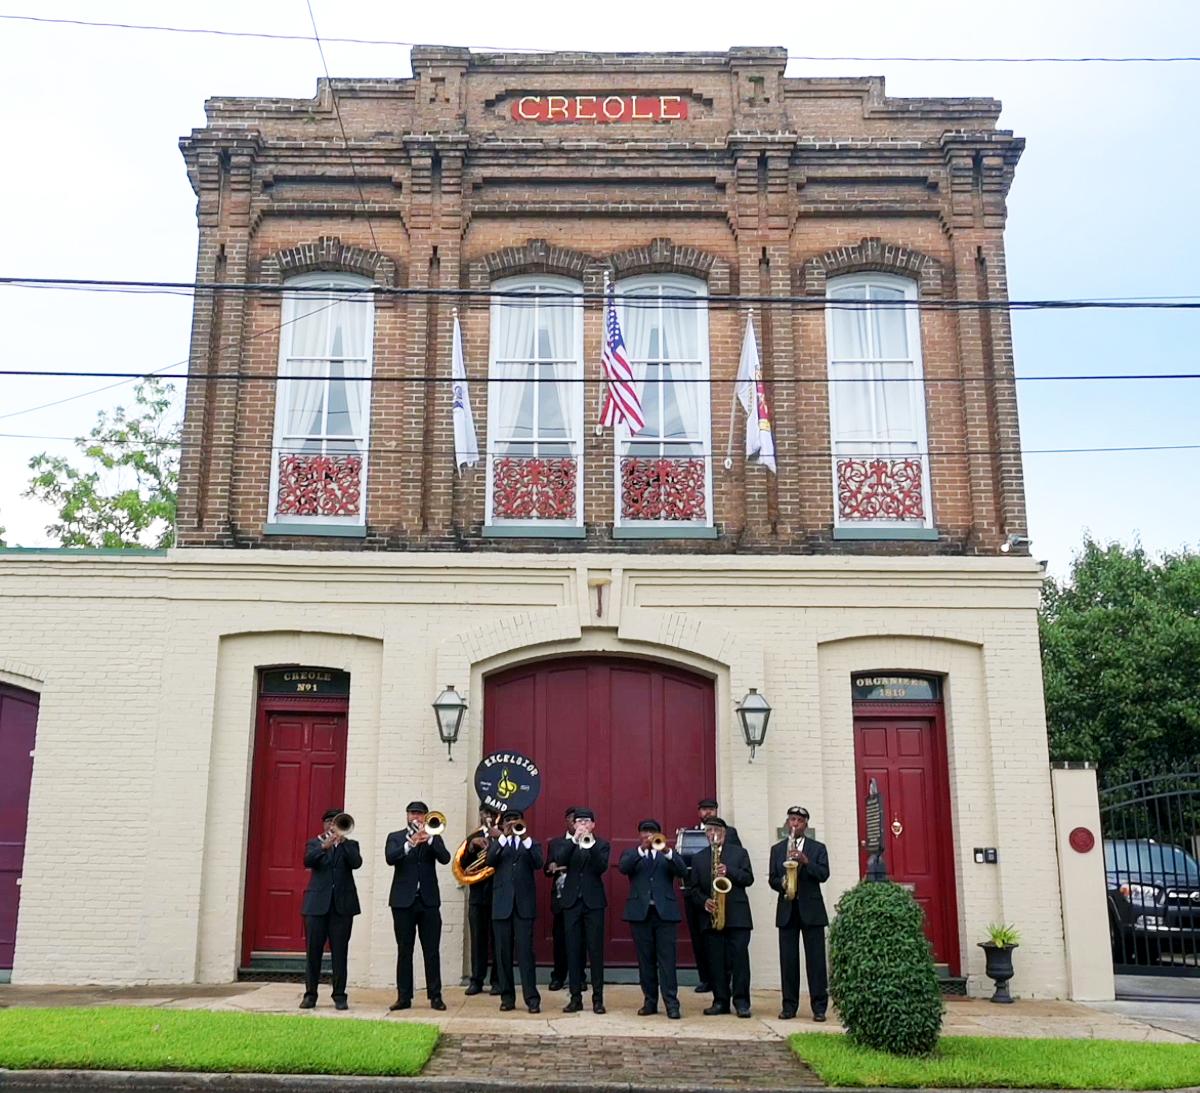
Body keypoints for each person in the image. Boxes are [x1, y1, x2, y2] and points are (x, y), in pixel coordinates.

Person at [385, 801, 450, 1012]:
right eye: (413, 813)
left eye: (420, 814)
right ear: (406, 815)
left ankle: (435, 996)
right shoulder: (395, 837)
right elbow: (390, 858)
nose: (417, 817)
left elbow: (445, 858)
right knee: (404, 950)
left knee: (431, 950)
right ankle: (404, 997)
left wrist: (430, 839)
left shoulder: (434, 837)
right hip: (403, 902)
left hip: (428, 901)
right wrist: (410, 843)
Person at [619, 818, 687, 1019]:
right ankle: (650, 1001)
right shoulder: (632, 853)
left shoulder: (666, 854)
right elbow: (624, 868)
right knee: (645, 961)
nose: (648, 835)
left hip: (665, 914)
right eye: (644, 832)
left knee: (667, 961)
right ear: (639, 834)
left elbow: (682, 871)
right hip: (640, 914)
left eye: (652, 832)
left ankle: (671, 1004)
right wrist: (642, 849)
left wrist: (667, 852)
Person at [687, 816, 754, 1018]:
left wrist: (729, 871)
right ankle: (720, 1001)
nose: (712, 835)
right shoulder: (699, 858)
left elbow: (748, 879)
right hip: (712, 917)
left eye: (716, 831)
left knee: (740, 961)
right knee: (716, 962)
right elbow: (693, 889)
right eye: (708, 831)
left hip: (737, 917)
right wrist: (704, 901)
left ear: (724, 833)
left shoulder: (739, 854)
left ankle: (742, 1002)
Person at [769, 805, 830, 1021]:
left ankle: (819, 1007)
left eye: (799, 821)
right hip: (787, 908)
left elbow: (824, 874)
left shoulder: (817, 848)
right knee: (788, 961)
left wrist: (806, 861)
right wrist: (783, 882)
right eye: (791, 820)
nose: (794, 824)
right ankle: (789, 1006)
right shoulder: (777, 849)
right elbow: (772, 879)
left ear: (806, 824)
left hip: (811, 911)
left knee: (815, 961)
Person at [300, 807, 362, 1010]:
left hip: (342, 906)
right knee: (313, 952)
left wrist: (342, 844)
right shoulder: (314, 843)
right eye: (329, 822)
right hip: (316, 906)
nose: (333, 826)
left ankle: (339, 995)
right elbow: (308, 861)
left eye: (337, 822)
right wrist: (324, 846)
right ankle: (310, 994)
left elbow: (356, 863)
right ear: (324, 824)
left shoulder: (351, 845)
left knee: (340, 952)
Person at [553, 807, 610, 1014]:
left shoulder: (601, 844)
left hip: (593, 903)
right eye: (579, 821)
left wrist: (590, 843)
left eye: (587, 821)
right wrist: (574, 840)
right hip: (571, 903)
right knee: (573, 951)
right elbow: (560, 859)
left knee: (595, 951)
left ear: (593, 825)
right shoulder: (568, 844)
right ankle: (575, 998)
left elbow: (601, 866)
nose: (583, 825)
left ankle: (598, 999)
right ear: (574, 824)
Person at [486, 809, 543, 1013]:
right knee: (503, 955)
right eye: (508, 821)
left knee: (526, 953)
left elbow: (538, 863)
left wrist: (524, 837)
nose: (511, 824)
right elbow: (489, 861)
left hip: (523, 907)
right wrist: (502, 838)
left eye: (515, 820)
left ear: (522, 822)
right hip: (502, 906)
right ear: (503, 825)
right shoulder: (498, 845)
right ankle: (507, 997)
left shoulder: (531, 844)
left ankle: (532, 998)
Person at [683, 797, 741, 993]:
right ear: (699, 812)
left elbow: (737, 858)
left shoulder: (729, 832)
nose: (707, 813)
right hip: (699, 893)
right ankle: (706, 978)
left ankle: (729, 980)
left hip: (723, 895)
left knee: (727, 945)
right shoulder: (691, 832)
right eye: (704, 810)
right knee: (701, 939)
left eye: (711, 809)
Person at [465, 805, 501, 996]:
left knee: (499, 940)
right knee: (477, 940)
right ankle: (476, 980)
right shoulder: (473, 837)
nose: (487, 817)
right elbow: (462, 864)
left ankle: (497, 981)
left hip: (497, 895)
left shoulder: (503, 836)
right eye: (484, 813)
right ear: (479, 815)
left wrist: (498, 839)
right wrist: (472, 847)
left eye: (491, 814)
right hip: (478, 895)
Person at [544, 806, 577, 991]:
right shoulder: (556, 843)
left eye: (578, 819)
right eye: (572, 819)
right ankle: (558, 976)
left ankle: (578, 976)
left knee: (579, 940)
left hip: (579, 897)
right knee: (560, 941)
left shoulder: (586, 841)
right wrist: (551, 866)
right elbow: (547, 869)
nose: (575, 823)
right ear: (566, 820)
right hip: (560, 897)